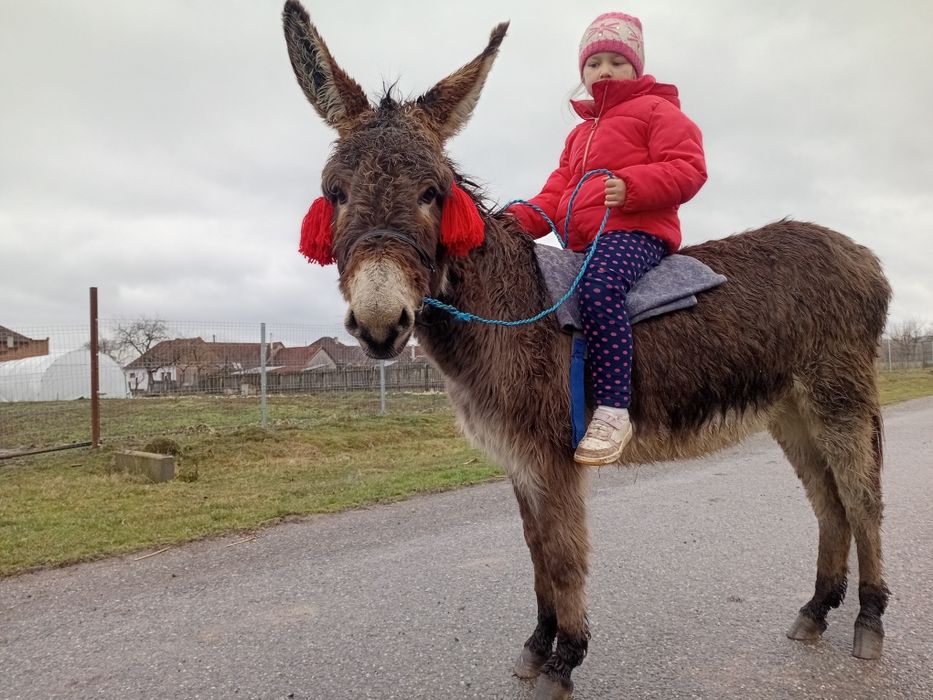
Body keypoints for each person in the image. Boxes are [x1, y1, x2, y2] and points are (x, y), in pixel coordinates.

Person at [509, 12, 707, 465]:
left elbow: (689, 167)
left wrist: (633, 187)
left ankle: (614, 411)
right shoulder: (579, 134)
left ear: (636, 67)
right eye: (594, 62)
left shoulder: (658, 110)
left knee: (598, 288)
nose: (603, 71)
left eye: (616, 61)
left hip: (637, 230)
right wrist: (510, 224)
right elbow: (554, 194)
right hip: (583, 241)